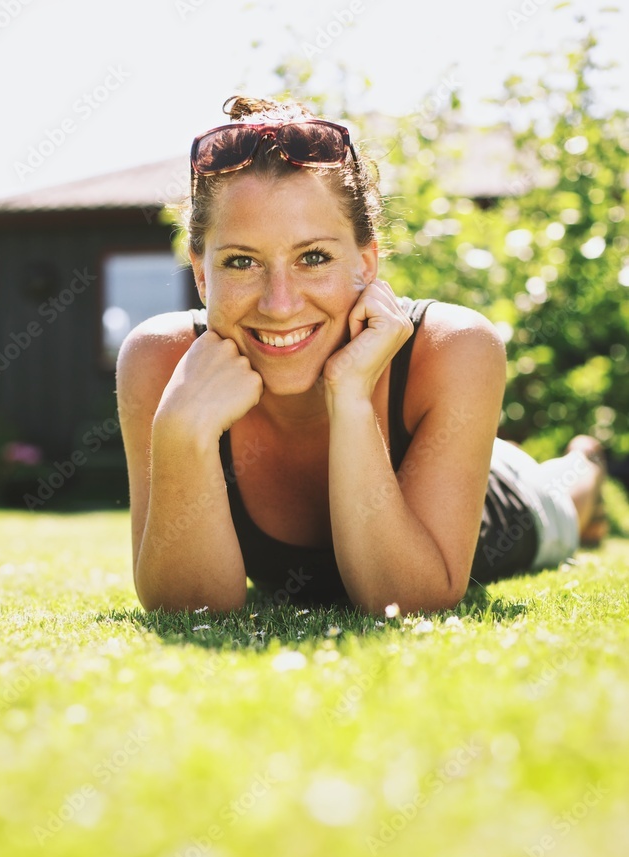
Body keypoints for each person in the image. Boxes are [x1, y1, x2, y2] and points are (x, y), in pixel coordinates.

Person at [116, 95, 607, 615]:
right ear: (200, 274)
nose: (279, 305)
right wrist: (182, 435)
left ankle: (585, 463)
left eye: (313, 257)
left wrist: (349, 395)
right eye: (241, 262)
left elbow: (407, 600)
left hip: (503, 491)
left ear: (367, 262)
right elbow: (190, 610)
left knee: (563, 494)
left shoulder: (453, 345)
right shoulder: (161, 362)